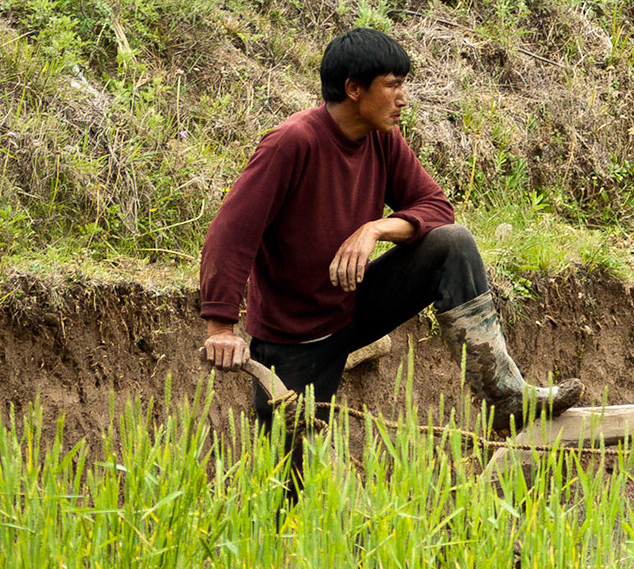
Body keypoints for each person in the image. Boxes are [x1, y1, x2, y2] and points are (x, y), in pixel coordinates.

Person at [198, 27, 581, 437]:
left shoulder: (383, 139)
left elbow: (436, 208)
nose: (402, 98)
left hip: (353, 306)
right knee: (287, 482)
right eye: (393, 85)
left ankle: (505, 396)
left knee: (452, 243)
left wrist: (375, 228)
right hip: (295, 337)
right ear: (353, 89)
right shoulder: (291, 143)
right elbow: (231, 234)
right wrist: (221, 327)